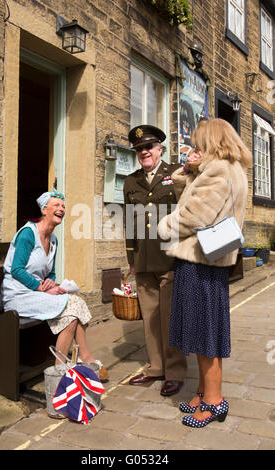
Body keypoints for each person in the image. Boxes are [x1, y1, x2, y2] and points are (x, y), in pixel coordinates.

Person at [158, 118, 251, 427]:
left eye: (199, 142)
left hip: (201, 262)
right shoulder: (230, 168)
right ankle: (202, 392)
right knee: (204, 331)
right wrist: (188, 171)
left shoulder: (219, 169)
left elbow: (196, 214)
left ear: (212, 140)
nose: (194, 147)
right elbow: (195, 197)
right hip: (210, 262)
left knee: (205, 334)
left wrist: (164, 227)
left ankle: (213, 402)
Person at [0, 189, 108, 383]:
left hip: (34, 292)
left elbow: (50, 273)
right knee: (71, 307)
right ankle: (81, 360)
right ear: (44, 210)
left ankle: (62, 370)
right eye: (56, 205)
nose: (61, 209)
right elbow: (16, 269)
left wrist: (51, 282)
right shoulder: (28, 234)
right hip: (17, 294)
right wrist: (42, 287)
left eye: (63, 206)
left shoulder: (54, 240)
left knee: (73, 309)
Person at [123, 125, 187, 396]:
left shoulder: (176, 174)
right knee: (150, 317)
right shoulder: (131, 181)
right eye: (139, 149)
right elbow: (130, 222)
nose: (144, 152)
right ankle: (155, 367)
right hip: (144, 259)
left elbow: (188, 211)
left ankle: (175, 371)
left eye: (148, 147)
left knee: (171, 317)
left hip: (171, 257)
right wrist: (131, 259)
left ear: (160, 148)